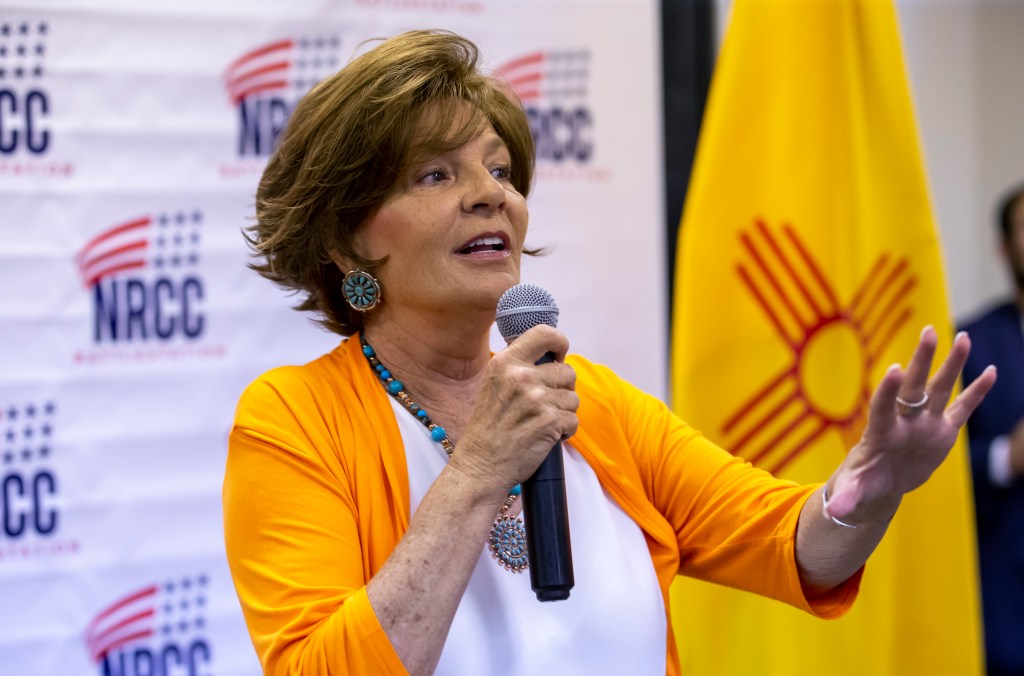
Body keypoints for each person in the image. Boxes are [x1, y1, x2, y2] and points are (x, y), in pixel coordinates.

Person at [222, 29, 996, 675]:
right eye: (435, 173)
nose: (492, 194)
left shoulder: (590, 401)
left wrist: (868, 486)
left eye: (498, 168)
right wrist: (480, 469)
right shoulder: (293, 422)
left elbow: (794, 548)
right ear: (347, 240)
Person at [960, 183, 1024, 676]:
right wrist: (1006, 457)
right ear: (1004, 247)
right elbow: (935, 467)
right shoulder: (972, 345)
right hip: (1005, 610)